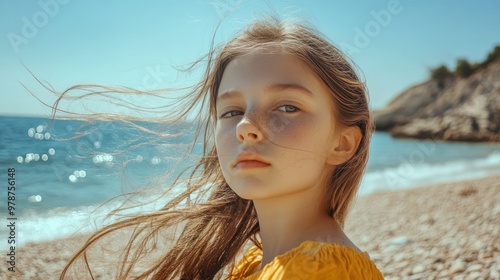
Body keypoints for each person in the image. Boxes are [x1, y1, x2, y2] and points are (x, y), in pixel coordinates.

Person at [59, 17, 384, 279]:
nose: (246, 126)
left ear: (341, 144)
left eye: (287, 107)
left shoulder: (320, 272)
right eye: (231, 112)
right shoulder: (263, 262)